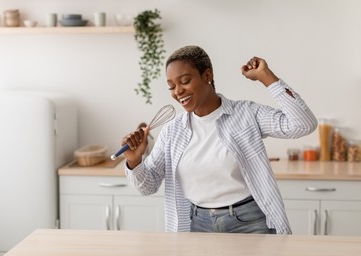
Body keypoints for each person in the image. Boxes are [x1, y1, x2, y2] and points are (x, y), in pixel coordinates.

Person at [122, 45, 317, 234]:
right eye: (171, 86)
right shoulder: (172, 131)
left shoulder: (246, 114)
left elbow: (303, 124)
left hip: (250, 221)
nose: (178, 91)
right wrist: (134, 160)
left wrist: (266, 77)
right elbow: (147, 187)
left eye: (185, 81)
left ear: (207, 76)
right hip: (198, 223)